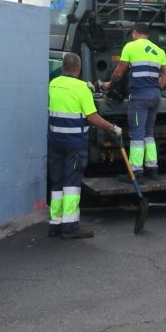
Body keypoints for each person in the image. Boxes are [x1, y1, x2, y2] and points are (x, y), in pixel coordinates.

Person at [47, 53, 121, 239]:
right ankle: (70, 227)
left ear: (63, 67)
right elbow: (92, 117)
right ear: (78, 69)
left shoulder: (53, 84)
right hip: (74, 144)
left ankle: (55, 224)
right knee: (72, 184)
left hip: (55, 141)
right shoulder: (81, 89)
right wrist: (113, 128)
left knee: (57, 182)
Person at [101, 22, 166, 181]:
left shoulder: (130, 47)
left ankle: (136, 172)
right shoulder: (159, 51)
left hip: (140, 97)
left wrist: (109, 85)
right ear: (148, 35)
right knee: (148, 132)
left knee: (137, 134)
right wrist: (155, 88)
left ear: (134, 33)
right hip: (155, 96)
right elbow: (165, 76)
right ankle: (152, 168)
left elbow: (119, 73)